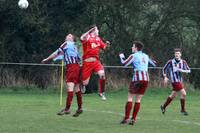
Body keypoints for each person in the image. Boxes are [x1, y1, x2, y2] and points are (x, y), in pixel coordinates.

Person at [42, 34, 83, 117]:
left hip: (71, 67)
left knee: (70, 87)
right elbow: (79, 58)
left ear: (71, 39)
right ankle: (79, 108)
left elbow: (56, 53)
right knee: (77, 88)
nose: (67, 36)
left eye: (70, 36)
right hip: (77, 67)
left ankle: (67, 109)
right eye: (67, 35)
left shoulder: (66, 44)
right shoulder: (75, 46)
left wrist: (47, 59)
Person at [119, 41, 156, 125]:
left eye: (133, 46)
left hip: (137, 79)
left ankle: (126, 118)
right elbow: (154, 64)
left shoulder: (134, 55)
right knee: (138, 99)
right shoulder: (146, 56)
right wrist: (150, 61)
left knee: (130, 98)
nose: (132, 48)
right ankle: (133, 119)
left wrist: (121, 56)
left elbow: (124, 64)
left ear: (136, 48)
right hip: (146, 79)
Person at [80, 26, 110, 100]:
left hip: (96, 62)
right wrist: (90, 30)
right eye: (97, 29)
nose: (98, 31)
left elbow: (105, 48)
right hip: (87, 62)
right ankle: (81, 84)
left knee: (102, 75)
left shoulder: (98, 39)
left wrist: (107, 45)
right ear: (93, 30)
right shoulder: (87, 37)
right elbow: (82, 37)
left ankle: (101, 92)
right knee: (85, 83)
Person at [160, 48, 191, 115]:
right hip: (174, 81)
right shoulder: (170, 62)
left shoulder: (183, 62)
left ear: (180, 54)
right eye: (176, 53)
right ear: (174, 54)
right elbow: (164, 69)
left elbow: (189, 70)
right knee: (184, 93)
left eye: (178, 53)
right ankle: (182, 110)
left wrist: (182, 70)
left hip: (179, 81)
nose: (177, 55)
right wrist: (165, 77)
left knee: (173, 95)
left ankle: (163, 107)